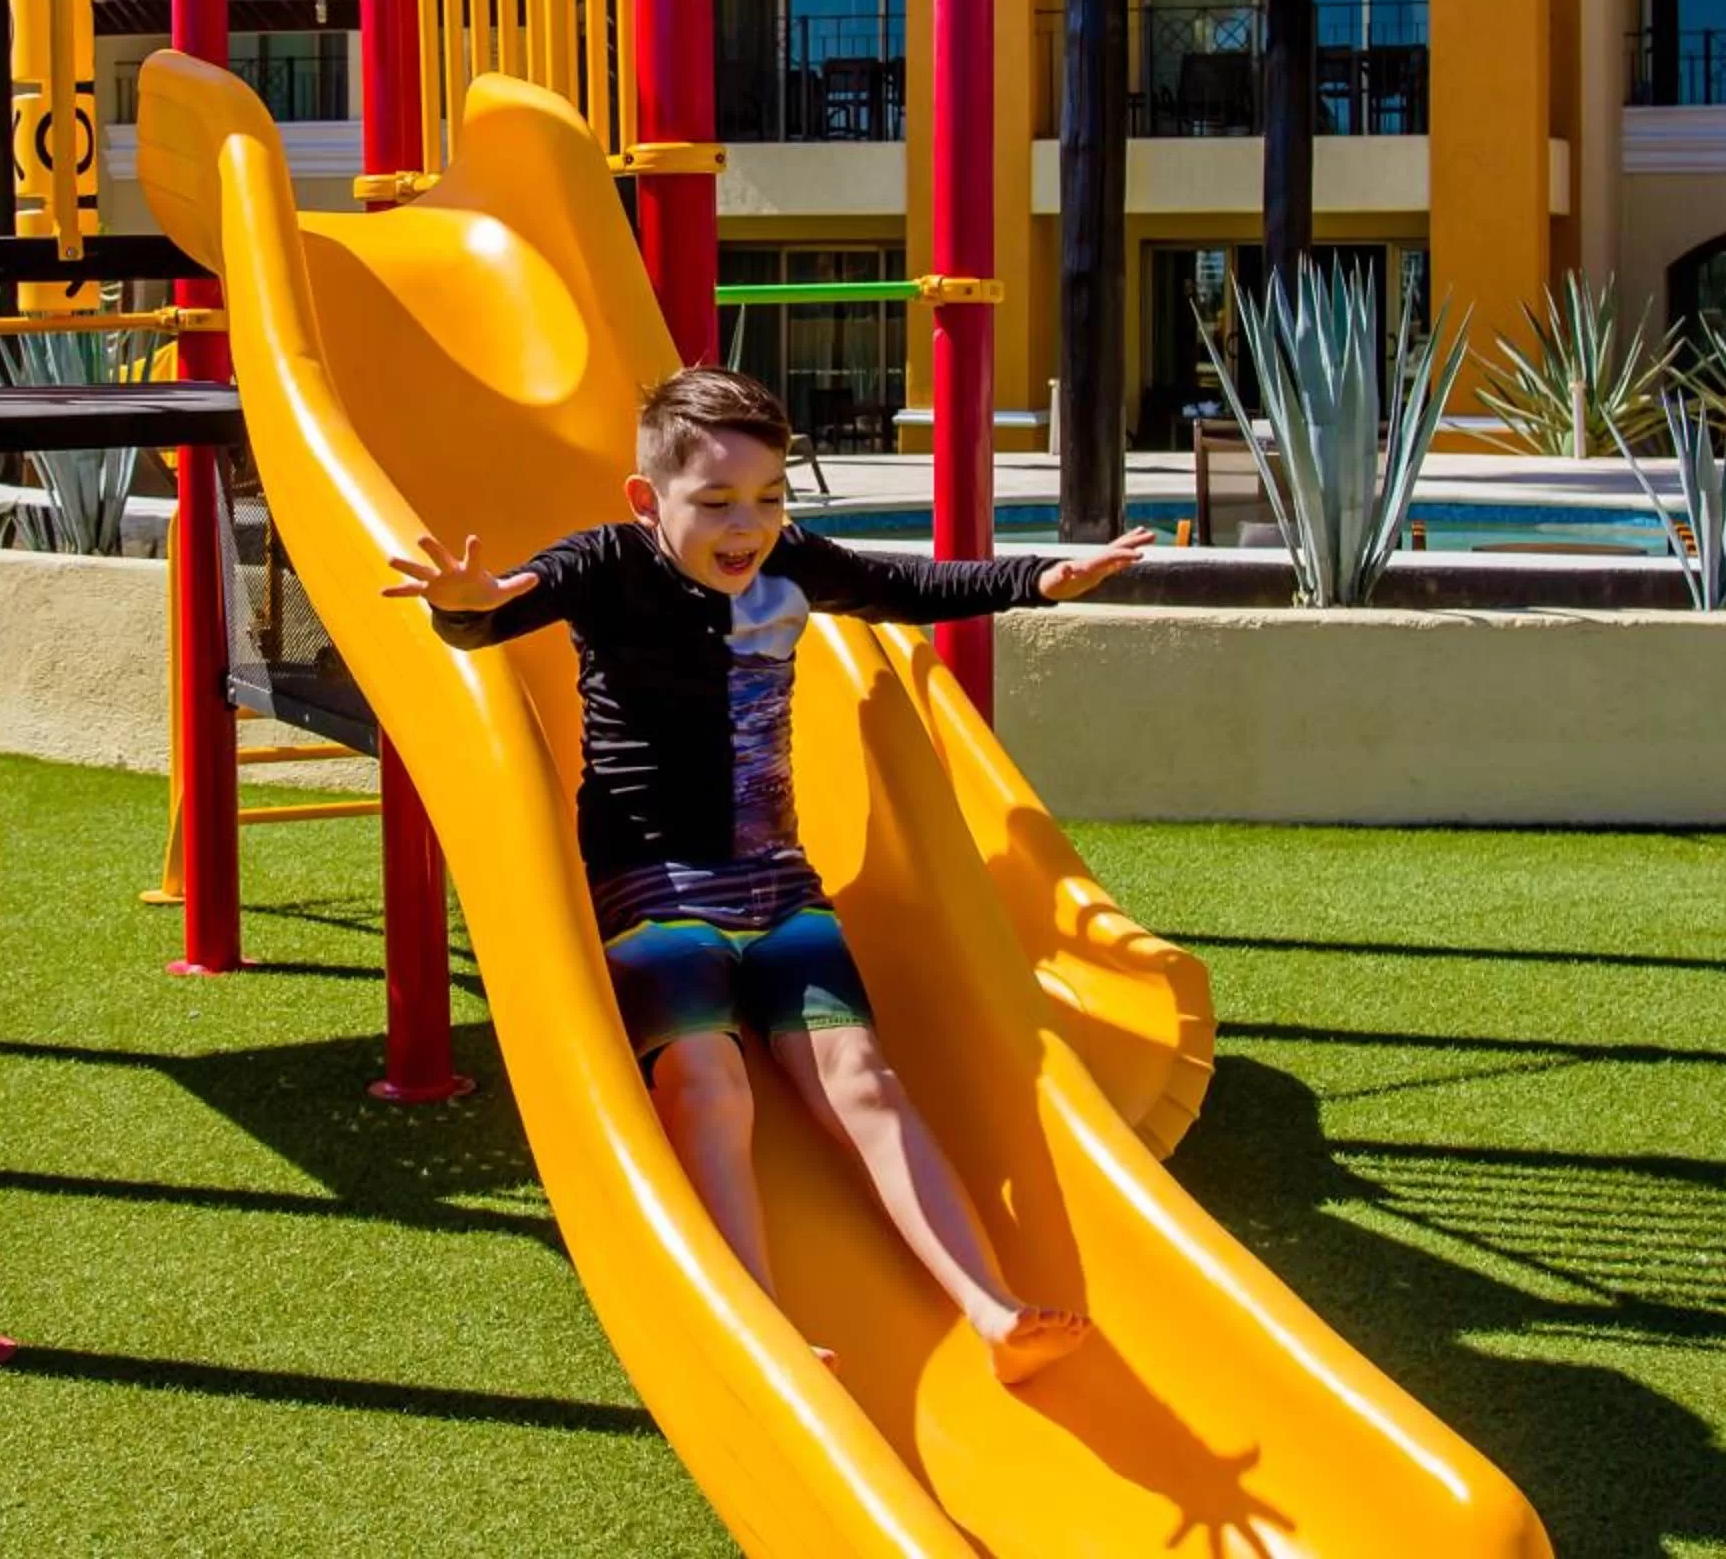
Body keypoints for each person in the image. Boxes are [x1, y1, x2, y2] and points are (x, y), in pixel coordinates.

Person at [384, 366, 1155, 1383]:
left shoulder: (786, 564)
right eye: (714, 502)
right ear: (645, 499)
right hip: (652, 891)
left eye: (768, 498)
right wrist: (466, 608)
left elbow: (905, 585)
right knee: (710, 1078)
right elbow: (505, 607)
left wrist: (1039, 576)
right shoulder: (608, 563)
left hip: (779, 888)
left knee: (865, 1078)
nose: (747, 526)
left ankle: (991, 1310)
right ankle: (760, 1316)